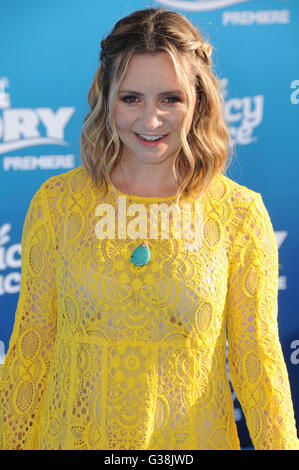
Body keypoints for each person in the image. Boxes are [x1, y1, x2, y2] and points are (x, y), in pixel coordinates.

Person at [0, 7, 298, 450]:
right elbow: (31, 349)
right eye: (132, 98)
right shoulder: (58, 204)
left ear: (199, 100)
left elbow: (259, 363)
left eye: (170, 99)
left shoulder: (239, 215)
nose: (150, 121)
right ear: (107, 97)